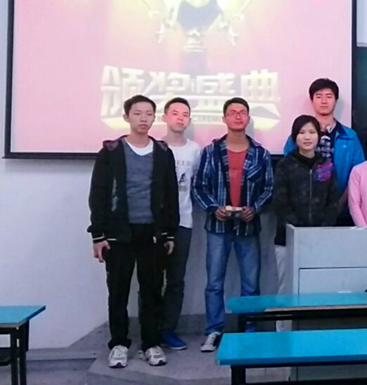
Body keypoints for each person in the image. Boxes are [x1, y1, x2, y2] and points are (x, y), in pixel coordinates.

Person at [88, 94, 178, 368]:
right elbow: (99, 193)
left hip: (152, 233)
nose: (143, 119)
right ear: (126, 117)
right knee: (118, 291)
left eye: (149, 114)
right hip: (119, 233)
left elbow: (170, 194)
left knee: (152, 291)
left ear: (154, 118)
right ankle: (118, 344)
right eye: (137, 113)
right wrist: (98, 234)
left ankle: (151, 344)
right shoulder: (111, 151)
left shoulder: (163, 152)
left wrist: (169, 232)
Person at [193, 97, 273, 352]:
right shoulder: (211, 151)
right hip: (218, 227)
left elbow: (269, 188)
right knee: (214, 282)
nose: (238, 116)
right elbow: (198, 187)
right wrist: (212, 208)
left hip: (248, 227)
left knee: (251, 282)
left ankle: (249, 329)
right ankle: (214, 330)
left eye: (242, 112)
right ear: (224, 118)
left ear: (248, 118)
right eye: (232, 112)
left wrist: (255, 208)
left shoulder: (260, 153)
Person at [273, 115, 340, 295]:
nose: (307, 137)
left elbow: (333, 201)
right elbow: (280, 202)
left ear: (319, 136)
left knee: (316, 288)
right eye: (302, 132)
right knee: (286, 287)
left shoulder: (326, 165)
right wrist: (299, 230)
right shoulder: (285, 165)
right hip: (287, 239)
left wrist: (322, 228)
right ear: (295, 137)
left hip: (319, 239)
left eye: (311, 132)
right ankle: (283, 316)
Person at [284, 78, 364, 225]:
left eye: (329, 96)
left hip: (343, 210)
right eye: (319, 96)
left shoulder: (350, 137)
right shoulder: (298, 136)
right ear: (312, 100)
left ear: (336, 100)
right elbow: (286, 172)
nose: (324, 101)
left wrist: (340, 203)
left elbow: (358, 175)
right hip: (302, 213)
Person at [159, 97, 201, 351]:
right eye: (175, 113)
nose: (180, 118)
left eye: (185, 114)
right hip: (155, 225)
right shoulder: (155, 147)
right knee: (152, 280)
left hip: (184, 221)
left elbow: (197, 185)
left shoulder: (195, 150)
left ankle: (168, 330)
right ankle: (150, 332)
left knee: (176, 280)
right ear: (165, 117)